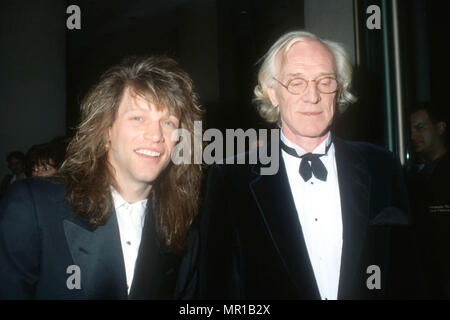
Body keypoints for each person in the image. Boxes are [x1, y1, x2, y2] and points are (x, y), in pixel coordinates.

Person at [198, 31, 418, 299]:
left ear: (339, 90)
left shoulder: (382, 166)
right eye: (296, 82)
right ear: (273, 93)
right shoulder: (230, 178)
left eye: (325, 81)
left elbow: (406, 277)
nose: (312, 96)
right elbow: (217, 291)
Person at [0, 56, 203, 299]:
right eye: (138, 118)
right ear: (106, 130)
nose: (156, 135)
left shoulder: (183, 233)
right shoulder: (32, 206)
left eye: (168, 122)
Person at [408, 102, 450, 298]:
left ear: (440, 128)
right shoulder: (414, 178)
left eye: (420, 128)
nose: (413, 136)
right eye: (411, 130)